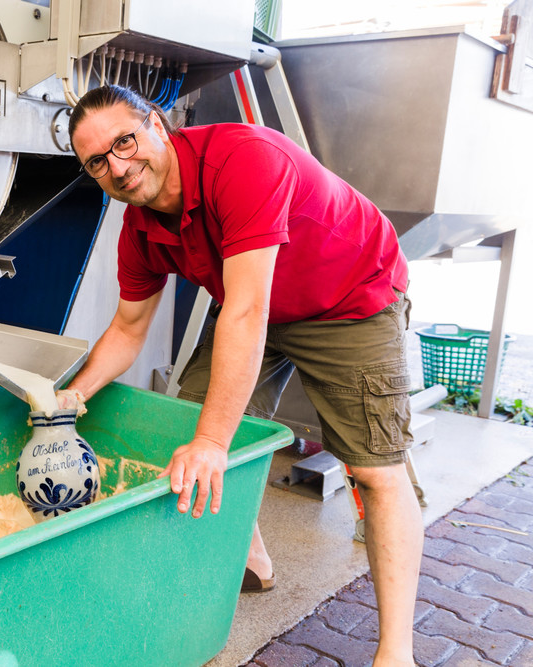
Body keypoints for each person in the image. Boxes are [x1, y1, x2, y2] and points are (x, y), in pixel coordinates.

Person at [55, 85, 421, 667]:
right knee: (190, 420)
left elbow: (246, 312)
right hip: (255, 301)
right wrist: (70, 396)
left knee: (374, 472)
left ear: (156, 123)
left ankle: (395, 653)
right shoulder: (139, 228)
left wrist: (212, 441)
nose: (118, 168)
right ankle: (251, 558)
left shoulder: (242, 162)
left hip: (350, 297)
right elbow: (127, 331)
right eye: (97, 161)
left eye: (125, 141)